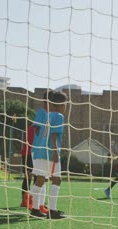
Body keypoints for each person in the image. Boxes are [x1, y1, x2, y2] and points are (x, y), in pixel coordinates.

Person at [29, 91, 67, 219]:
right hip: (50, 152)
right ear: (62, 104)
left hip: (41, 151)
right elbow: (54, 135)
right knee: (56, 179)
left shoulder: (48, 115)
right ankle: (52, 211)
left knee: (41, 179)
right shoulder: (59, 116)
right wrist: (56, 152)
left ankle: (35, 209)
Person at [29, 90, 54, 215]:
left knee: (43, 179)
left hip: (45, 151)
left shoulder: (52, 114)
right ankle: (32, 203)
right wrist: (42, 142)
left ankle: (39, 206)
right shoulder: (41, 112)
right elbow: (37, 129)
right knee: (40, 178)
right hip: (38, 150)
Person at [20, 124, 35, 209]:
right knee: (32, 176)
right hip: (29, 153)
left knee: (29, 176)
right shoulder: (37, 127)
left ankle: (29, 200)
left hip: (28, 153)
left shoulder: (32, 126)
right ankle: (26, 200)